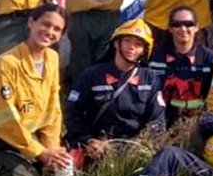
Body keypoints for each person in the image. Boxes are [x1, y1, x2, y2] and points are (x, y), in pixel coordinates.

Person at [0, 4, 72, 176]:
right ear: (31, 22)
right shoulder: (6, 64)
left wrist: (52, 150)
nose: (49, 31)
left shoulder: (53, 58)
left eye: (57, 29)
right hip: (4, 141)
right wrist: (40, 153)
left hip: (33, 139)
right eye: (45, 24)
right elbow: (5, 120)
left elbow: (53, 110)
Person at [63, 19, 165, 164]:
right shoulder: (91, 75)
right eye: (127, 41)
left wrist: (140, 146)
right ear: (117, 43)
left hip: (132, 151)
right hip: (95, 149)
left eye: (138, 44)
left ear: (144, 51)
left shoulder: (151, 79)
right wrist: (88, 140)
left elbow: (157, 121)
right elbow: (72, 112)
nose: (132, 47)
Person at [148, 5, 213, 128]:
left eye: (188, 24)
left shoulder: (209, 58)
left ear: (197, 27)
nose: (183, 28)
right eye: (176, 24)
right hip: (162, 122)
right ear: (170, 28)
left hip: (199, 122)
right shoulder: (155, 56)